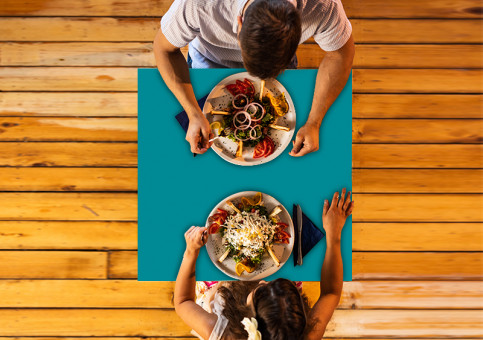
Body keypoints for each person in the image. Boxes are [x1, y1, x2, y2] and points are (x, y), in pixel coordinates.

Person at [154, 0, 355, 156]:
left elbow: (341, 54)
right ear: (239, 24)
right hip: (208, 60)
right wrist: (193, 113)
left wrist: (314, 123)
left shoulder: (323, 6)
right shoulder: (197, 5)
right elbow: (163, 49)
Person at [174, 189, 353, 339]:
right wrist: (334, 235)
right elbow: (331, 293)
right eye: (272, 283)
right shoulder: (305, 335)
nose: (263, 281)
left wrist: (190, 252)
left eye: (261, 289)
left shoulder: (223, 334)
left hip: (221, 291)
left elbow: (183, 302)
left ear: (249, 319)